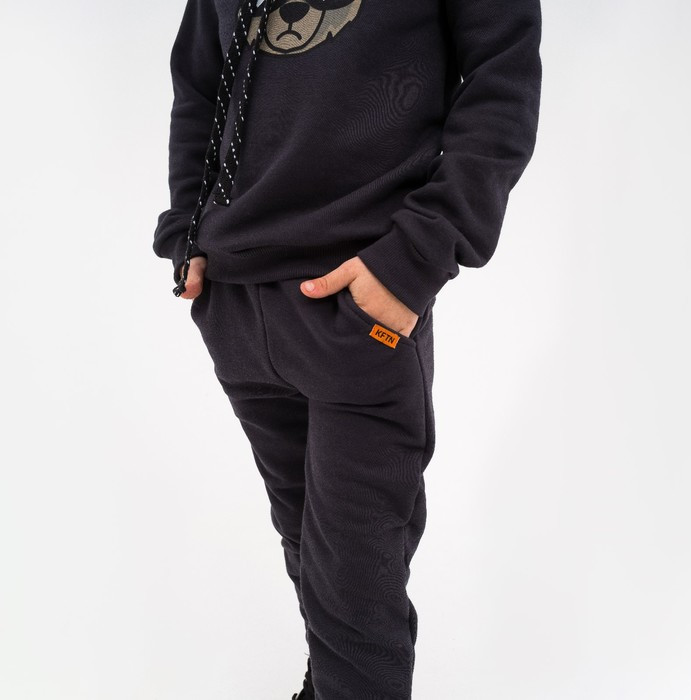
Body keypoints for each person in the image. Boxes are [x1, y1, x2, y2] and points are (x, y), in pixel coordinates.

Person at [152, 0, 542, 697]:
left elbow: (501, 78)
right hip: (236, 300)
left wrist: (417, 257)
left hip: (357, 301)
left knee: (357, 585)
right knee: (310, 553)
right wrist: (188, 232)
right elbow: (199, 83)